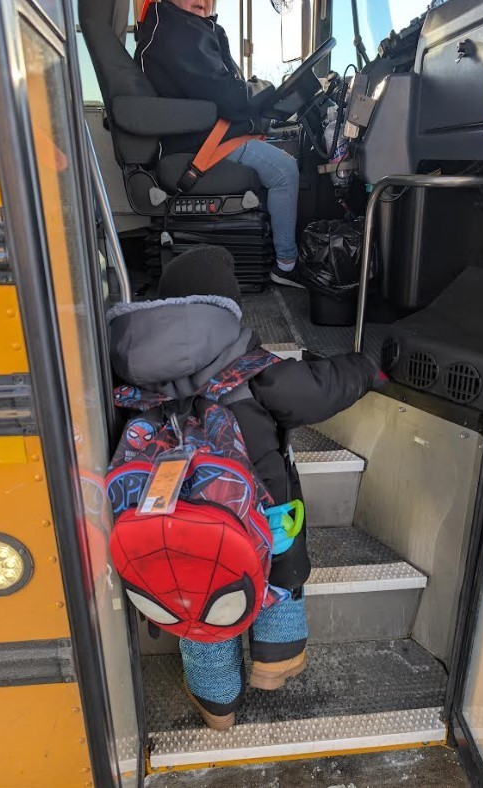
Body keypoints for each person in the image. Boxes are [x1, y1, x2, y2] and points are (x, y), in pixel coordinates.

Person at [108, 245, 386, 729]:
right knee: (280, 577)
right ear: (226, 309)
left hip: (174, 529)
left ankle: (218, 706)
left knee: (198, 602)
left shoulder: (128, 373)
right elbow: (320, 388)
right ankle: (274, 661)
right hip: (265, 514)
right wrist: (367, 367)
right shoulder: (252, 370)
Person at [135, 0, 304, 288]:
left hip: (208, 134)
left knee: (281, 151)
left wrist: (255, 92)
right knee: (284, 170)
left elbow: (221, 86)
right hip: (199, 143)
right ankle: (286, 265)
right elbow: (226, 95)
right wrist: (265, 89)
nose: (201, 0)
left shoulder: (183, 26)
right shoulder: (178, 31)